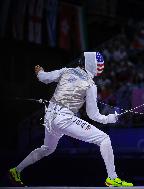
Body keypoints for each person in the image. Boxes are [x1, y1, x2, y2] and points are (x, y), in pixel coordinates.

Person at [8, 52, 133, 187]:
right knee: (104, 139)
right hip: (63, 119)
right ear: (95, 67)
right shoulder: (90, 84)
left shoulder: (66, 71)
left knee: (47, 149)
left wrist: (40, 71)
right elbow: (93, 115)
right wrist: (110, 118)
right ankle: (112, 178)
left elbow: (44, 78)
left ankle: (16, 170)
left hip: (49, 117)